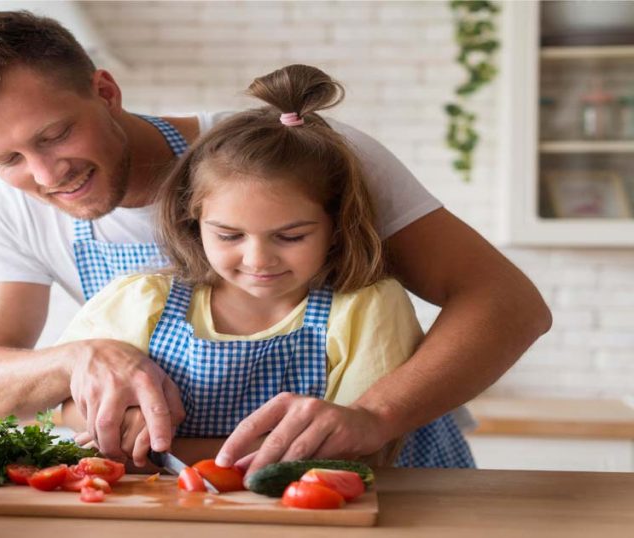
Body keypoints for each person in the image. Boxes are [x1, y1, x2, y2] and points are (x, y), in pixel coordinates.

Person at [0, 11, 550, 473]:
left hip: (386, 474)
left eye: (53, 135)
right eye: (6, 159)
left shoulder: (302, 154)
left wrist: (375, 416)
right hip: (189, 488)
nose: (46, 176)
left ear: (105, 91)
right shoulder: (11, 212)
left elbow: (506, 303)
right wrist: (77, 361)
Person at [57, 63, 473, 470]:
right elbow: (70, 404)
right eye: (229, 236)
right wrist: (114, 420)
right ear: (193, 221)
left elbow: (348, 451)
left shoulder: (367, 308)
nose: (258, 259)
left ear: (336, 226)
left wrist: (169, 447)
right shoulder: (139, 298)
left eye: (290, 237)